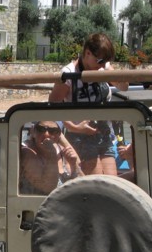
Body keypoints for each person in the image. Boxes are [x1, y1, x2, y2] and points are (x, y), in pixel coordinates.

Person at [50, 33, 129, 175]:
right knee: (97, 185)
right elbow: (53, 107)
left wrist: (109, 72)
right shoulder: (69, 74)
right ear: (87, 53)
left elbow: (124, 87)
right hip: (81, 138)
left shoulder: (103, 68)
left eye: (106, 61)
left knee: (112, 183)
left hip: (104, 134)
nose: (103, 64)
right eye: (100, 60)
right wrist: (74, 127)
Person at [20, 121, 80, 195]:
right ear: (33, 131)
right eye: (41, 129)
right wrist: (51, 154)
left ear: (59, 135)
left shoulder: (62, 151)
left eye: (52, 131)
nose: (46, 134)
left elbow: (80, 182)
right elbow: (48, 188)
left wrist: (73, 165)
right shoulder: (26, 151)